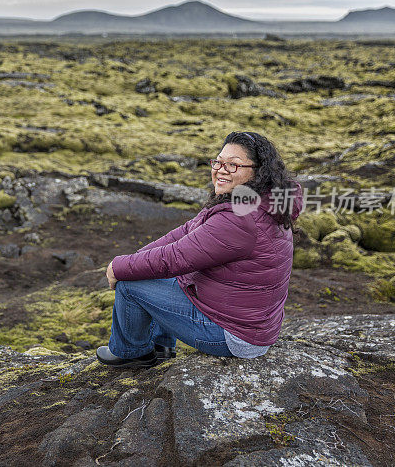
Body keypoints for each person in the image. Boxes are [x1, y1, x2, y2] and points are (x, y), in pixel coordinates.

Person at [96, 131, 304, 368]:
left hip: (234, 336)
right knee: (149, 270)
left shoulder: (240, 218)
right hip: (246, 323)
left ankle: (132, 352)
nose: (222, 170)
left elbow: (174, 258)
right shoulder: (255, 202)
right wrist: (134, 259)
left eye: (234, 165)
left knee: (130, 285)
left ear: (257, 172)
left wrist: (119, 268)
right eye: (219, 162)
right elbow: (185, 233)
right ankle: (160, 347)